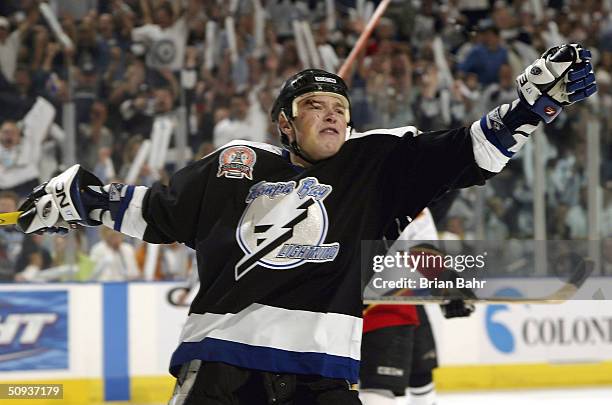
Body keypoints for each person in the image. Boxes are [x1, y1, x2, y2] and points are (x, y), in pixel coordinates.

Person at [15, 44, 597, 404]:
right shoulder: (235, 163)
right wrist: (85, 201)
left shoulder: (377, 165)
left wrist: (531, 109)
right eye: (316, 105)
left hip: (323, 376)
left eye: (341, 107)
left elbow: (464, 153)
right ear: (284, 125)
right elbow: (159, 213)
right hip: (222, 365)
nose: (334, 113)